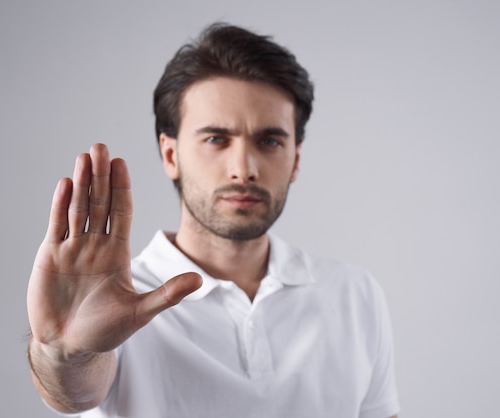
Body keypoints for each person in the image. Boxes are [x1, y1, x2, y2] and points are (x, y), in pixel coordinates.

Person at [26, 23, 400, 418]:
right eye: (216, 139)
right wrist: (65, 353)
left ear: (296, 159)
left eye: (269, 141)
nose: (244, 168)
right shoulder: (116, 300)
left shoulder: (355, 295)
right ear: (171, 155)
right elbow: (75, 393)